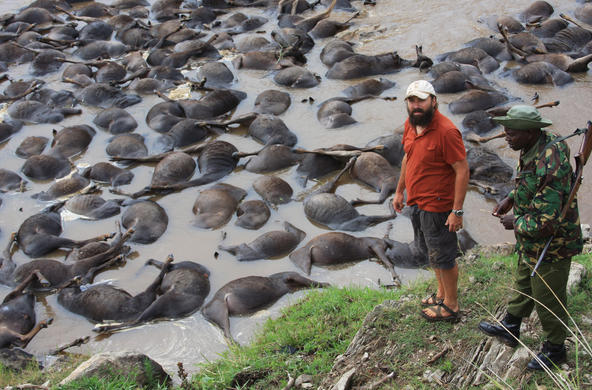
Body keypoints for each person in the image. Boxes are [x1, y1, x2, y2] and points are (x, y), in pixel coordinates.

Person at [478, 105, 583, 371]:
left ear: (531, 131)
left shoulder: (552, 162)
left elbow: (546, 222)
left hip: (553, 243)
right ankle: (511, 325)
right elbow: (527, 183)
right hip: (532, 240)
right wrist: (509, 200)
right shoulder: (531, 148)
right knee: (525, 277)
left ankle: (555, 349)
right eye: (505, 132)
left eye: (511, 133)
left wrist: (516, 222)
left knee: (547, 295)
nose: (506, 137)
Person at [392, 80, 469, 323]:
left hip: (438, 206)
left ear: (433, 101)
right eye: (412, 100)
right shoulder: (411, 125)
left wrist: (456, 211)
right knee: (432, 252)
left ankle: (451, 305)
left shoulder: (446, 132)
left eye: (421, 100)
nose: (416, 105)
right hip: (418, 202)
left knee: (444, 256)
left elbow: (462, 170)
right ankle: (441, 294)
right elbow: (407, 158)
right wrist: (399, 191)